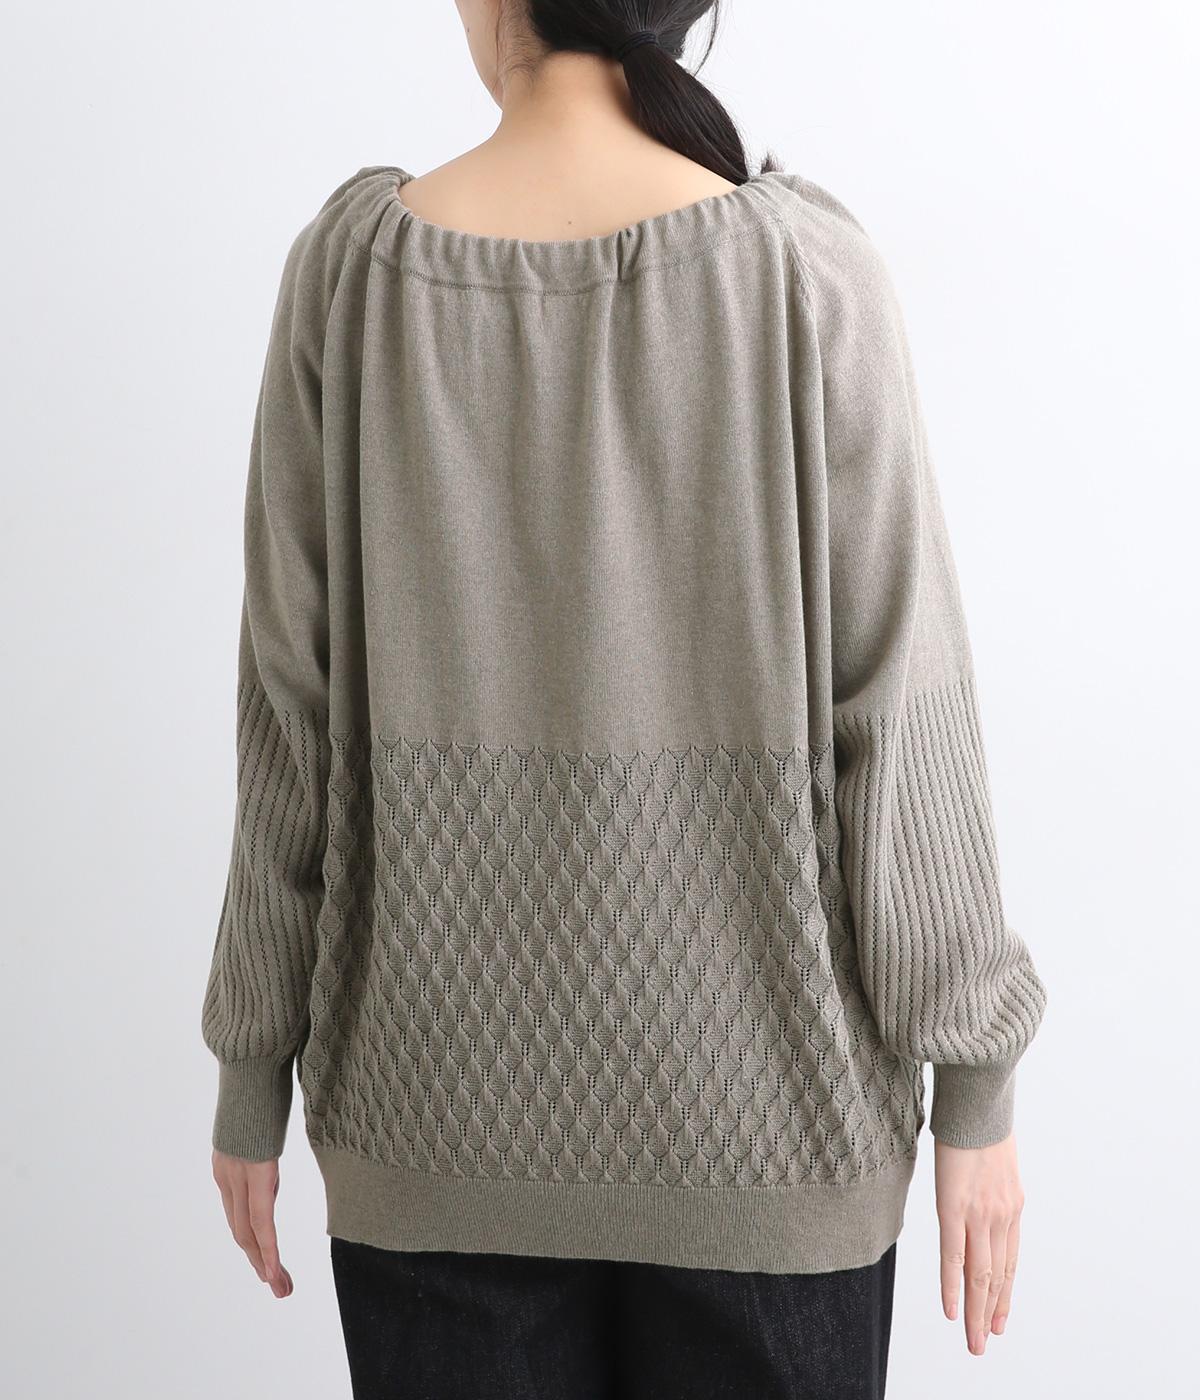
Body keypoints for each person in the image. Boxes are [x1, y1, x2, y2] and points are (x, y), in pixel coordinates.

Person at [201, 2, 1047, 1395]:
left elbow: (287, 717)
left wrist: (251, 1064)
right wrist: (976, 1085)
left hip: (429, 1128)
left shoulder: (349, 277)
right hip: (775, 1139)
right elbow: (903, 709)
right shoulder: (803, 273)